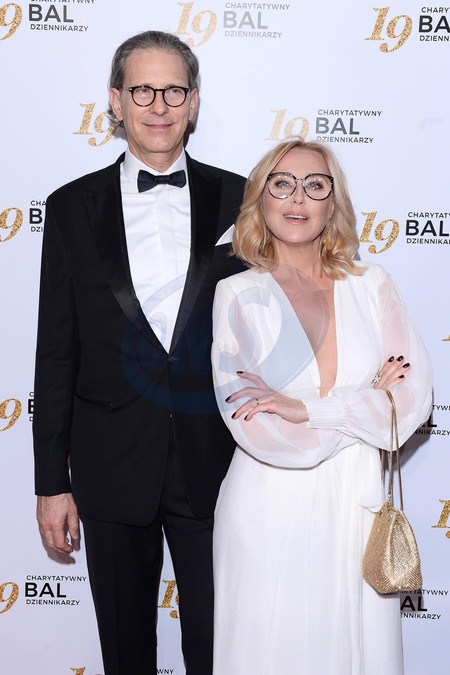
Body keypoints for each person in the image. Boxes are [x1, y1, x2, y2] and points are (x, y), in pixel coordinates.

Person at [33, 30, 246, 675]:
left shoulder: (242, 199)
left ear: (194, 101)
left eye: (173, 91)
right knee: (125, 652)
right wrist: (51, 485)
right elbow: (56, 353)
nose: (158, 105)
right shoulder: (70, 208)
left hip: (218, 464)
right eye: (142, 90)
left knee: (221, 648)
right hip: (110, 464)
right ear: (116, 100)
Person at [211, 138, 432, 674]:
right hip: (268, 507)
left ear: (333, 203)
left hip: (357, 505)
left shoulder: (372, 285)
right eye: (282, 184)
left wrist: (308, 409)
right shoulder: (236, 295)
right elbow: (261, 431)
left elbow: (412, 402)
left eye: (315, 185)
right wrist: (367, 400)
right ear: (261, 200)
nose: (298, 197)